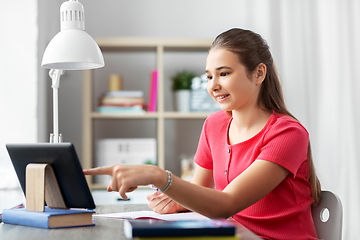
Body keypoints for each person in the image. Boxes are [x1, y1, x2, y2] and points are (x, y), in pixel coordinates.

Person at [84, 28, 321, 240]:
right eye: (209, 76)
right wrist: (176, 202)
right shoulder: (214, 125)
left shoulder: (288, 133)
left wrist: (156, 175)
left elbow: (225, 205)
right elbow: (199, 191)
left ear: (259, 73)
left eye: (224, 73)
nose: (213, 86)